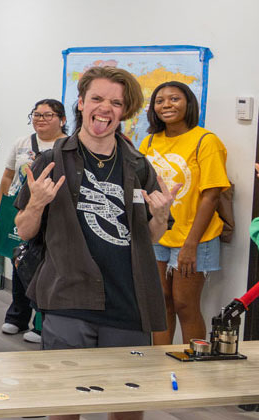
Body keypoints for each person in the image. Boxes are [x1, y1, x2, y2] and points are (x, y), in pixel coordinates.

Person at [14, 67, 175, 420]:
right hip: (68, 297)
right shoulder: (51, 160)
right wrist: (37, 202)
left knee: (128, 406)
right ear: (82, 103)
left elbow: (148, 238)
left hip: (127, 302)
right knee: (65, 404)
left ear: (125, 112)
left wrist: (161, 216)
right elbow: (24, 230)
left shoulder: (139, 166)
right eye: (98, 99)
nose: (105, 109)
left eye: (116, 102)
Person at [140, 81, 229, 346]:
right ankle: (160, 365)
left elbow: (211, 195)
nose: (166, 105)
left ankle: (194, 365)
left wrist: (190, 243)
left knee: (184, 305)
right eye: (160, 100)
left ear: (189, 103)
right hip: (157, 235)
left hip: (194, 238)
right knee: (160, 303)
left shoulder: (206, 140)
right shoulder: (149, 141)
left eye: (174, 99)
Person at [0, 99, 66, 344]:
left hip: (52, 216)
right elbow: (7, 176)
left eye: (48, 115)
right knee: (19, 262)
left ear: (62, 119)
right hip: (22, 209)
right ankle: (17, 316)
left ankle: (41, 324)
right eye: (36, 115)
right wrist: (2, 209)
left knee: (44, 269)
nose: (40, 119)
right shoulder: (22, 143)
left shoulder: (67, 147)